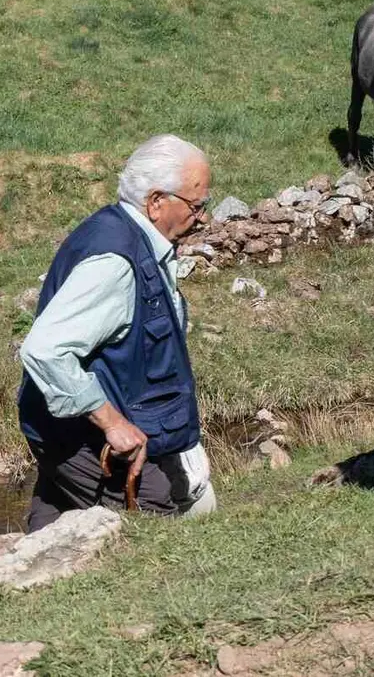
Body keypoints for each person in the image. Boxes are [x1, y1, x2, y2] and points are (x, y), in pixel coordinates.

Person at [17, 134, 217, 532]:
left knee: (57, 520)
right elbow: (44, 350)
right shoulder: (116, 262)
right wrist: (111, 423)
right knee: (151, 524)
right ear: (157, 202)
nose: (204, 217)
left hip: (69, 431)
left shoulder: (131, 235)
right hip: (87, 437)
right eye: (197, 206)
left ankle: (21, 582)